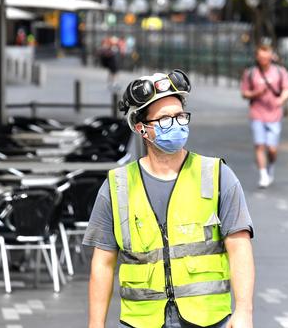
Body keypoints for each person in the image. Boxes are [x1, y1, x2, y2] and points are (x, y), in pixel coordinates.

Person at [84, 71, 255, 328]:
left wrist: (244, 311)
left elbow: (239, 246)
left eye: (180, 116)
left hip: (209, 320)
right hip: (141, 322)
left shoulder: (218, 175)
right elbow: (103, 263)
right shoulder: (117, 186)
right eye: (164, 119)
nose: (176, 124)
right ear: (142, 128)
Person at [240, 44, 288, 188]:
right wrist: (255, 93)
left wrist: (281, 99)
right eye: (261, 56)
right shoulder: (251, 73)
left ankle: (271, 167)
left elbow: (287, 89)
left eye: (266, 56)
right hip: (257, 114)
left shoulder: (280, 72)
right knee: (259, 145)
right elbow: (244, 93)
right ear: (257, 57)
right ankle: (263, 175)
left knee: (272, 149)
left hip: (274, 115)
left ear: (270, 56)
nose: (263, 59)